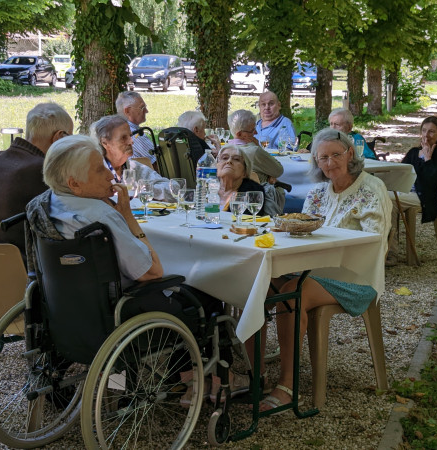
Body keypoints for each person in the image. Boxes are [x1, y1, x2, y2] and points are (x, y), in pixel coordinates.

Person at [27, 135, 249, 402]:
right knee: (205, 292)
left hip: (66, 314)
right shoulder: (101, 216)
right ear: (75, 183)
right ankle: (202, 380)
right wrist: (128, 218)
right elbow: (151, 272)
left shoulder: (40, 206)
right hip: (118, 316)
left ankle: (155, 381)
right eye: (100, 169)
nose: (110, 175)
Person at [259, 128, 392, 412]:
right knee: (260, 281)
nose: (330, 163)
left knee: (292, 292)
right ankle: (254, 373)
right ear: (316, 162)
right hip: (313, 269)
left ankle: (286, 386)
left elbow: (375, 242)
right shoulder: (318, 191)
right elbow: (303, 231)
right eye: (323, 158)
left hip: (355, 277)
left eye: (336, 155)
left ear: (350, 154)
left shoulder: (371, 189)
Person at [0, 102, 73, 259]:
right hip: (24, 270)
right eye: (69, 138)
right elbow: (71, 215)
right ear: (59, 137)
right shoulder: (42, 170)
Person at [387, 116, 437, 265]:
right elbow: (400, 173)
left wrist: (428, 159)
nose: (427, 135)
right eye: (424, 131)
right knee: (384, 200)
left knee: (387, 199)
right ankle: (387, 251)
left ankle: (391, 253)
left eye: (431, 132)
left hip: (424, 198)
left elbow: (433, 181)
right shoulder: (413, 152)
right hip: (405, 192)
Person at [90, 115, 174, 201]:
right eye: (123, 138)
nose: (131, 141)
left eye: (130, 136)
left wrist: (143, 190)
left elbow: (173, 188)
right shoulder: (94, 171)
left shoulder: (133, 167)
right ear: (105, 143)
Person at [228, 109, 286, 214]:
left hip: (230, 202)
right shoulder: (253, 151)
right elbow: (279, 170)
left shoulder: (223, 152)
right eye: (252, 130)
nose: (256, 132)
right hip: (257, 202)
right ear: (240, 134)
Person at [215, 145, 275, 216]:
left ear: (245, 172)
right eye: (224, 158)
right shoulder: (206, 186)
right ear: (216, 166)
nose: (229, 161)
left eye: (236, 159)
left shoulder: (253, 191)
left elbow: (249, 222)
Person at [115, 91, 157, 168]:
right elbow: (159, 163)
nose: (146, 111)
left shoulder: (118, 129)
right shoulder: (134, 134)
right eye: (142, 107)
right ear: (127, 111)